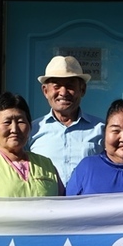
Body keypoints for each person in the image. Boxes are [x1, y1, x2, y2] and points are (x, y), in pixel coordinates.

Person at [27, 55, 104, 184]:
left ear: (82, 90)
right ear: (45, 91)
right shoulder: (32, 131)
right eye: (56, 86)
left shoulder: (101, 130)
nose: (63, 93)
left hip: (89, 197)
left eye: (70, 86)